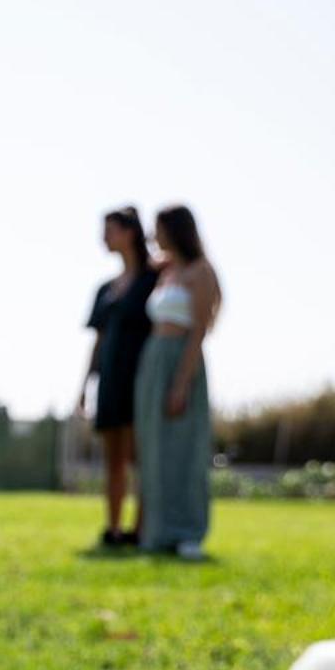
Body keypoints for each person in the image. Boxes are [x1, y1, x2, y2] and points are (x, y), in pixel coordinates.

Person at [135, 205, 221, 559]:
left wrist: (181, 383)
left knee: (184, 450)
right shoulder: (165, 271)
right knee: (154, 451)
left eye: (160, 229)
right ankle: (158, 531)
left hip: (181, 360)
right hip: (152, 360)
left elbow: (200, 328)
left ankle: (189, 532)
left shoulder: (201, 272)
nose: (155, 236)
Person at [78, 207, 156, 548]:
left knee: (142, 458)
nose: (103, 237)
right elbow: (98, 339)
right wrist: (84, 386)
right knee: (114, 460)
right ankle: (112, 529)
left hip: (141, 378)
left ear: (130, 232)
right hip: (110, 379)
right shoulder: (105, 289)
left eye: (110, 229)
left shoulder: (154, 279)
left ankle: (140, 530)